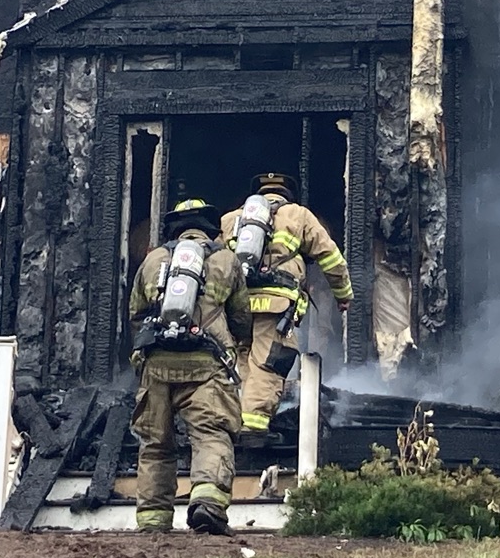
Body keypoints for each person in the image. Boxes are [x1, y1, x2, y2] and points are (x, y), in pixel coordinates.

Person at [128, 198, 250, 533]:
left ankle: (153, 520)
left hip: (156, 366)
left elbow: (136, 314)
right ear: (210, 229)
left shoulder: (153, 260)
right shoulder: (226, 260)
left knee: (155, 444)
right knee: (211, 434)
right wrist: (237, 346)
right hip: (206, 366)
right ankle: (207, 506)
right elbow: (241, 316)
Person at [220, 171, 352, 439]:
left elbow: (215, 265)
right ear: (287, 193)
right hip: (276, 303)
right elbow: (330, 258)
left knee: (242, 358)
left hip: (237, 305)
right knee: (269, 361)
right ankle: (254, 428)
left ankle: (232, 421)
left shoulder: (230, 219)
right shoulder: (298, 215)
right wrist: (343, 295)